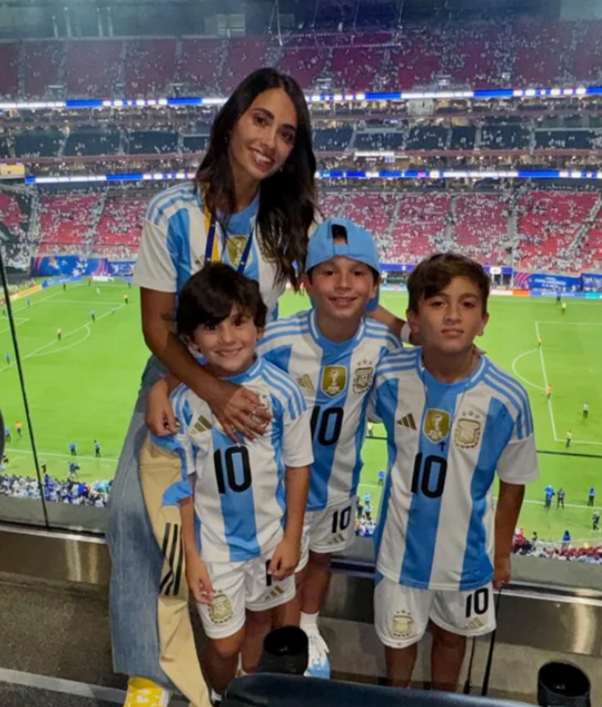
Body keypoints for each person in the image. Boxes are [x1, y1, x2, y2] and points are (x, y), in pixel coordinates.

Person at [109, 69, 319, 706]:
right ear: (231, 121)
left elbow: (270, 324)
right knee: (131, 513)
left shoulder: (281, 229)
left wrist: (403, 325)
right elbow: (156, 326)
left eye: (287, 134)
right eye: (262, 121)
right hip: (179, 371)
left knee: (250, 510)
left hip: (247, 378)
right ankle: (149, 674)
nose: (272, 141)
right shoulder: (172, 211)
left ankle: (236, 663)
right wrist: (187, 386)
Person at [369, 253, 539, 691]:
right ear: (415, 317)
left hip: (468, 557)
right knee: (398, 644)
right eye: (438, 303)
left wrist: (501, 553)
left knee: (451, 639)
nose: (452, 315)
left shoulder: (508, 397)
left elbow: (514, 483)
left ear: (483, 320)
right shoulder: (389, 376)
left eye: (466, 305)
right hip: (400, 551)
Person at [152, 266, 313, 704]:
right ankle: (221, 694)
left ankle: (250, 695)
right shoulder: (184, 402)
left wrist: (292, 537)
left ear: (259, 327)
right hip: (216, 550)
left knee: (260, 625)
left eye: (238, 322)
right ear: (191, 340)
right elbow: (183, 485)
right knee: (225, 643)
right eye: (211, 326)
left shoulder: (283, 394)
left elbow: (299, 466)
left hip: (270, 541)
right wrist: (192, 557)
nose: (226, 337)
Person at [250, 219, 402, 676]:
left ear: (374, 284)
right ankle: (281, 639)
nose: (343, 283)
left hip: (339, 483)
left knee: (320, 559)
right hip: (278, 490)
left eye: (357, 272)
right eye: (329, 271)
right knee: (280, 568)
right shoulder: (276, 341)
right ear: (307, 281)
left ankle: (309, 628)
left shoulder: (383, 343)